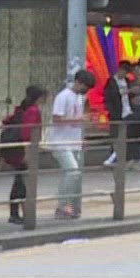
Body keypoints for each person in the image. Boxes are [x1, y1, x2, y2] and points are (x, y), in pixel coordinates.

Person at [47, 71, 96, 220]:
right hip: (61, 142)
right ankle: (62, 205)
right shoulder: (63, 96)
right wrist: (79, 119)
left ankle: (68, 205)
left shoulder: (79, 98)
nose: (86, 90)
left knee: (73, 174)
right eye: (85, 86)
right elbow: (57, 119)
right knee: (72, 172)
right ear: (78, 82)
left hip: (73, 141)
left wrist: (82, 137)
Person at [1, 85, 46, 225]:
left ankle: (16, 212)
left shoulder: (22, 108)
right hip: (23, 150)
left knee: (19, 180)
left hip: (17, 149)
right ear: (39, 97)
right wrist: (28, 153)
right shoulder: (33, 111)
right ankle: (16, 214)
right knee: (21, 182)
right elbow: (27, 133)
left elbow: (6, 121)